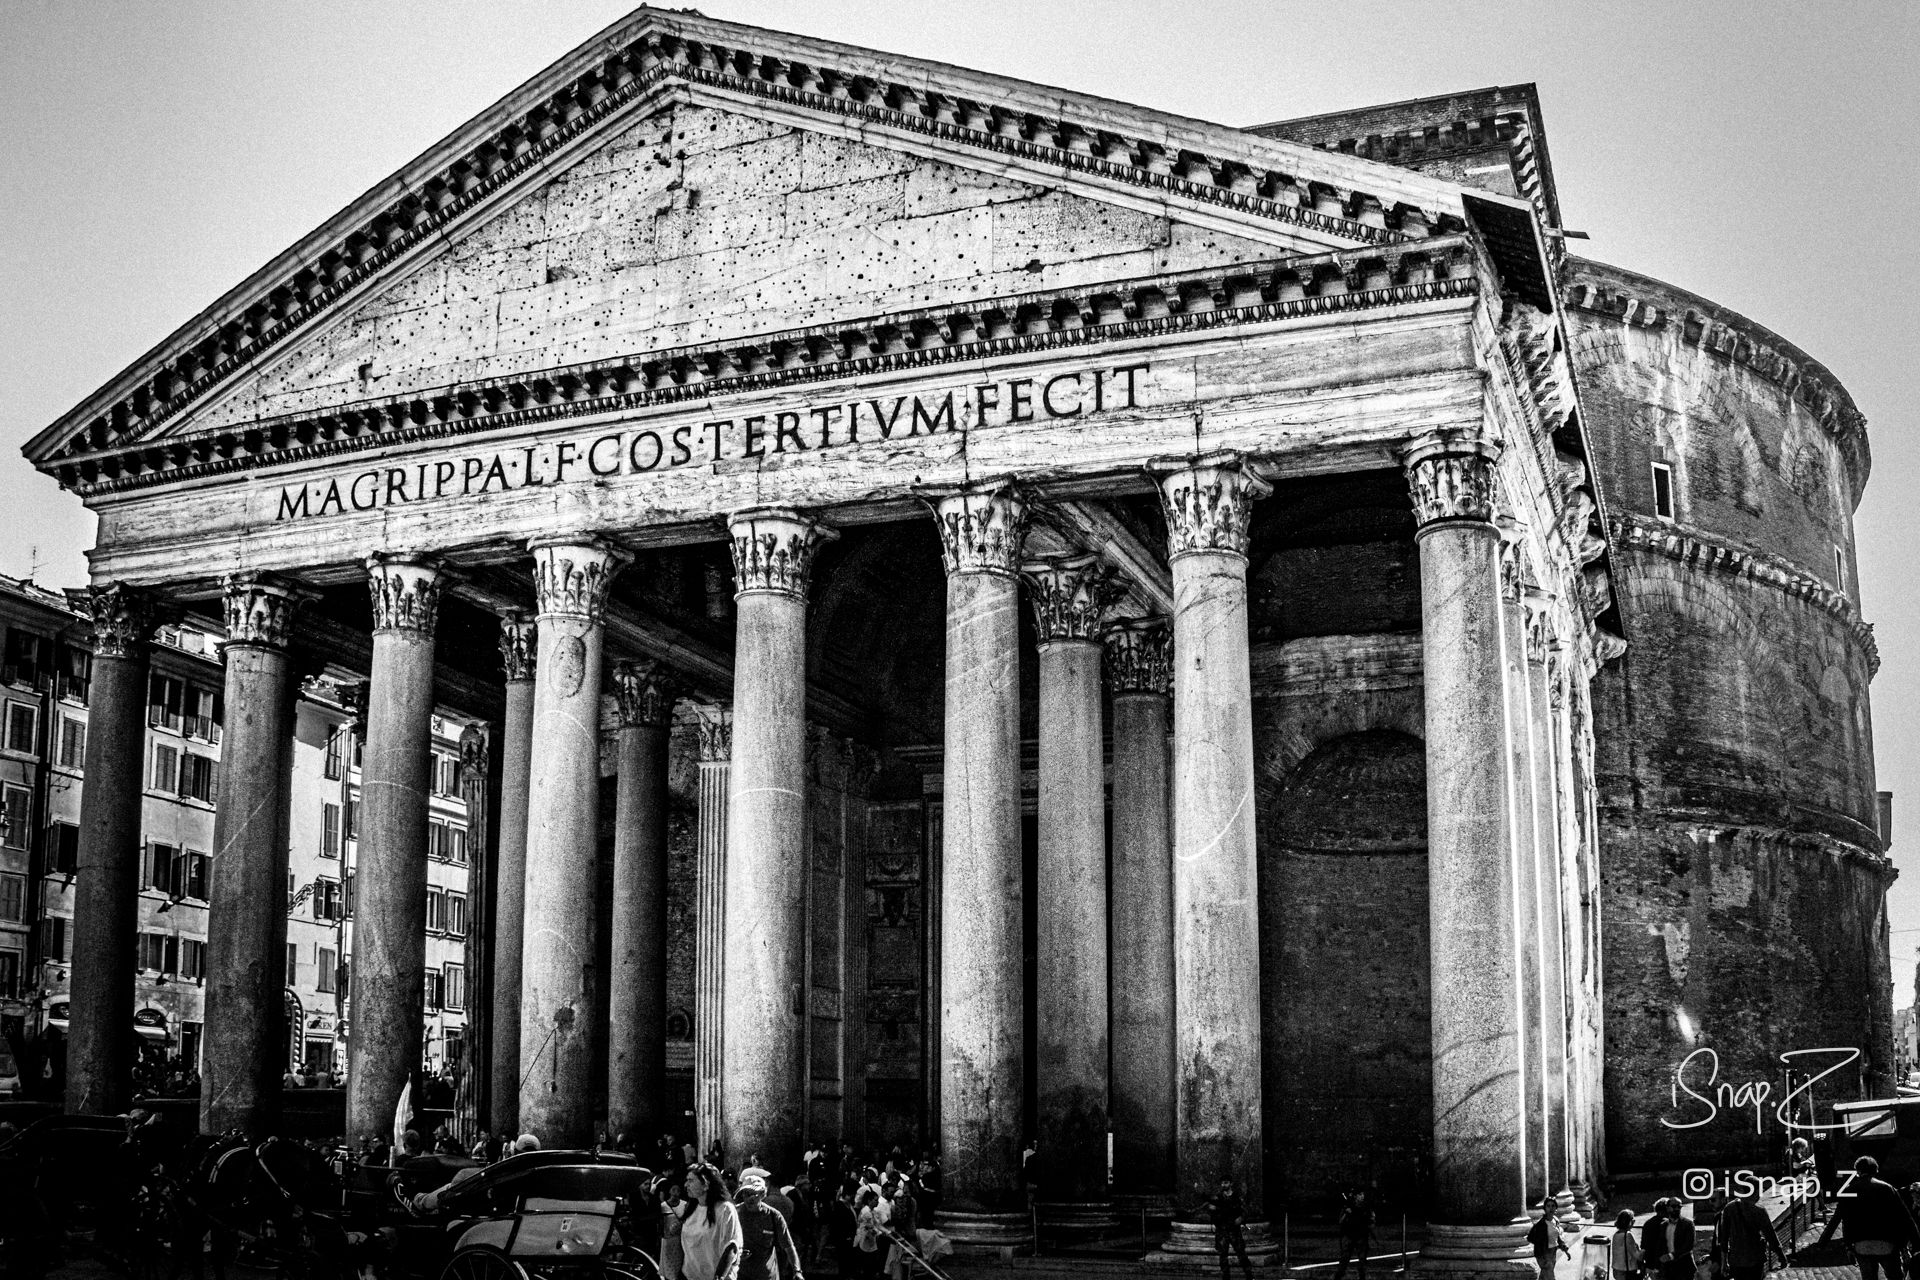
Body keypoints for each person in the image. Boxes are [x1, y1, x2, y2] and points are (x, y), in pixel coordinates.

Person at [1817, 1156, 1920, 1280]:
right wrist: (1916, 1245)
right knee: (1895, 1276)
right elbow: (1905, 1218)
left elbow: (1837, 1220)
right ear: (1875, 1170)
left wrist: (1823, 1243)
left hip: (1862, 1245)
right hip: (1886, 1243)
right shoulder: (1887, 1188)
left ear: (1858, 1172)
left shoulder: (1850, 1191)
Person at [736, 1172, 805, 1280]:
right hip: (739, 1275)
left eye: (753, 1194)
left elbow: (788, 1246)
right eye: (745, 1194)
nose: (749, 1198)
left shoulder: (774, 1216)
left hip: (767, 1276)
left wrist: (797, 1271)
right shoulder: (735, 1214)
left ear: (763, 1194)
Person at [682, 1163, 744, 1280]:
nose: (686, 1185)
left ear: (706, 1184)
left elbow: (731, 1248)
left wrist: (718, 1277)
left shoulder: (725, 1209)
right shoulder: (690, 1208)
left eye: (691, 1181)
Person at [1717, 1185, 1786, 1280]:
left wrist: (1724, 1262)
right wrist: (1781, 1256)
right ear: (1756, 1190)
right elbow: (1770, 1236)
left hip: (1736, 1260)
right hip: (1755, 1259)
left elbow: (1724, 1238)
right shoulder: (1759, 1209)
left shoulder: (1729, 1208)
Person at [1207, 1178, 1254, 1280]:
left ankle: (1248, 1274)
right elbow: (1211, 1211)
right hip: (1222, 1230)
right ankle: (1226, 1275)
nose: (1224, 1185)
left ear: (1231, 1183)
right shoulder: (1218, 1198)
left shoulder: (1237, 1197)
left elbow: (1245, 1210)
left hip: (1234, 1229)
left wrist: (1240, 1218)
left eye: (1226, 1183)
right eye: (1222, 1183)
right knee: (1223, 1255)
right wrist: (1212, 1210)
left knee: (1241, 1253)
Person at [1641, 1198, 1696, 1280]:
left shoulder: (1688, 1224)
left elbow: (1689, 1246)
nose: (1677, 1209)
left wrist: (1671, 1256)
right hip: (1668, 1268)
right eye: (1674, 1206)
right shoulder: (1663, 1225)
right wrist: (1656, 1267)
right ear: (1667, 1208)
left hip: (1684, 1267)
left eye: (1679, 1206)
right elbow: (1660, 1247)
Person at [1334, 1189, 1374, 1280]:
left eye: (1363, 1194)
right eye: (1360, 1194)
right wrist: (1347, 1213)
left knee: (1362, 1260)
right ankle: (1339, 1275)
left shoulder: (1366, 1207)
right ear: (1355, 1196)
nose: (1362, 1196)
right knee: (1345, 1258)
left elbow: (1371, 1220)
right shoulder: (1349, 1206)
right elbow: (1340, 1221)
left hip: (1361, 1235)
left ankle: (1361, 1276)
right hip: (1350, 1235)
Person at [1528, 1197, 1571, 1277]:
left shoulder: (1556, 1221)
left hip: (1553, 1252)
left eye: (1553, 1206)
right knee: (1550, 1275)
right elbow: (1531, 1238)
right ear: (1545, 1208)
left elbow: (1558, 1238)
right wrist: (1541, 1255)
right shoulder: (1540, 1225)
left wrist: (1565, 1250)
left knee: (1545, 1275)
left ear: (1556, 1208)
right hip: (1544, 1254)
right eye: (1548, 1206)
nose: (1551, 1208)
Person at [659, 1176, 689, 1280]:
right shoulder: (663, 1206)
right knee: (668, 1267)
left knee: (679, 1265)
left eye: (678, 1190)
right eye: (673, 1190)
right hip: (668, 1240)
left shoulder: (684, 1204)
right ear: (669, 1191)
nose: (676, 1193)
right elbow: (661, 1223)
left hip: (680, 1240)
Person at [1609, 1209, 1643, 1280]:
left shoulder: (1616, 1235)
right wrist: (1643, 1251)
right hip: (1627, 1271)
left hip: (1617, 1269)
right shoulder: (1628, 1235)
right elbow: (1637, 1255)